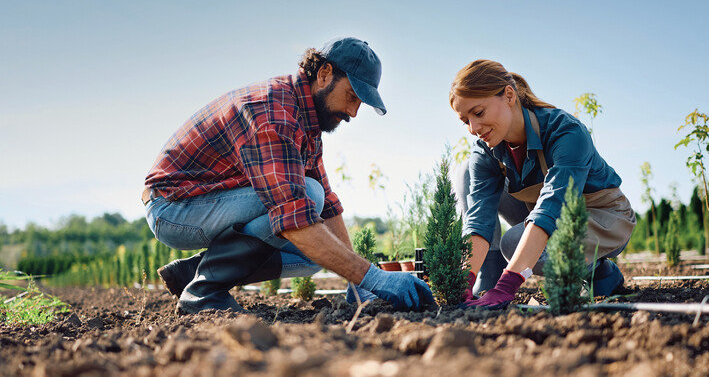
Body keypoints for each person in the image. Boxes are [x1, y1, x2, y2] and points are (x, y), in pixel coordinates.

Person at [142, 37, 434, 314]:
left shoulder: (306, 120)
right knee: (308, 202)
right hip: (174, 207)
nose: (353, 113)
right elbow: (295, 217)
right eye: (351, 96)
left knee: (315, 252)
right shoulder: (273, 114)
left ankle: (193, 274)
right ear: (324, 74)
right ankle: (204, 292)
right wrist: (375, 279)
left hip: (207, 204)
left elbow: (328, 204)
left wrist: (357, 282)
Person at [449, 59, 636, 307]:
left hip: (604, 217)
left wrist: (508, 286)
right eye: (465, 121)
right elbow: (478, 219)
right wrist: (464, 279)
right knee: (466, 172)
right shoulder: (487, 150)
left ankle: (598, 272)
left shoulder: (565, 131)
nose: (474, 128)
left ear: (508, 95)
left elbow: (550, 208)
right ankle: (489, 274)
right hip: (549, 216)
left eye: (479, 113)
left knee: (513, 242)